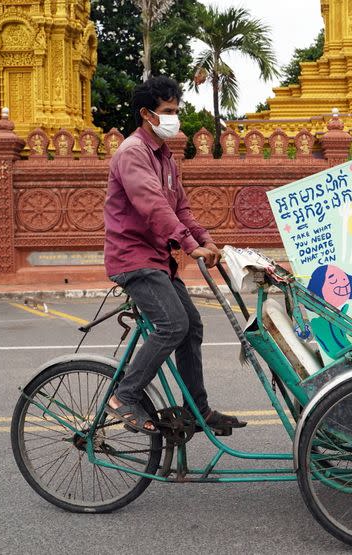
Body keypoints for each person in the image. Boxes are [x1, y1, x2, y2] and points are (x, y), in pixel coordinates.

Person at [103, 75, 246, 435]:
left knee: (192, 326)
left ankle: (196, 409)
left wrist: (205, 241)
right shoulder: (133, 153)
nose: (174, 118)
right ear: (146, 114)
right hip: (133, 258)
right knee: (173, 325)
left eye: (176, 111)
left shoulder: (165, 158)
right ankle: (124, 396)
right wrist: (186, 242)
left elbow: (180, 209)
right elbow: (152, 205)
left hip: (157, 260)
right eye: (167, 112)